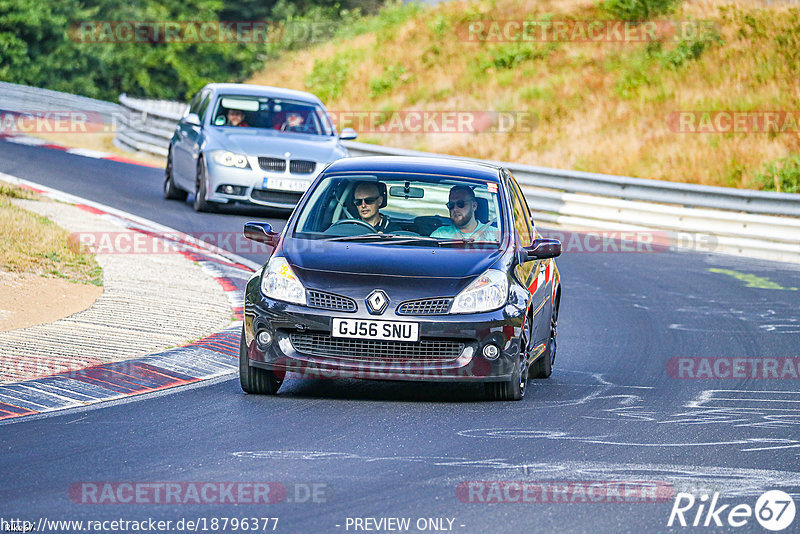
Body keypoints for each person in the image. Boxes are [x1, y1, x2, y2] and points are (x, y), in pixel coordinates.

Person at [431, 185, 497, 241]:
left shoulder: (495, 235)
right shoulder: (439, 235)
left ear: (474, 206)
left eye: (460, 204)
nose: (455, 209)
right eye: (451, 205)